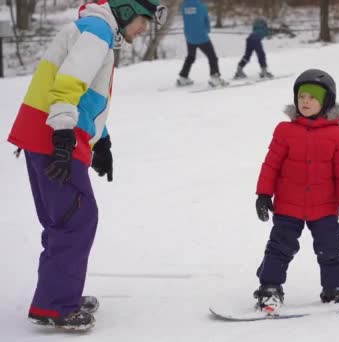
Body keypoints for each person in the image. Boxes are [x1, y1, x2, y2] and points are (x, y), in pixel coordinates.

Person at [6, 0, 167, 331]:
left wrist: (101, 139)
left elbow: (87, 96)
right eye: (144, 20)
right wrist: (63, 135)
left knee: (64, 218)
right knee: (76, 219)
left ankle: (56, 296)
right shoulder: (97, 32)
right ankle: (56, 305)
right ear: (125, 11)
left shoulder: (94, 30)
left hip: (45, 133)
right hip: (54, 135)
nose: (144, 29)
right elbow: (69, 84)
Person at [253, 69, 339, 314]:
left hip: (324, 207)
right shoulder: (284, 131)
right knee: (280, 246)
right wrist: (263, 194)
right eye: (302, 96)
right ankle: (269, 288)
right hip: (288, 205)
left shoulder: (338, 136)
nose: (306, 101)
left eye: (312, 97)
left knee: (332, 248)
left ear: (327, 101)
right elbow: (271, 164)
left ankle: (336, 287)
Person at [177, 0, 228, 87]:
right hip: (201, 36)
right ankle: (215, 78)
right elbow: (206, 19)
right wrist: (207, 30)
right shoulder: (201, 6)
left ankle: (183, 77)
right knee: (212, 57)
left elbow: (185, 18)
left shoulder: (184, 5)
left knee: (191, 56)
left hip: (189, 36)